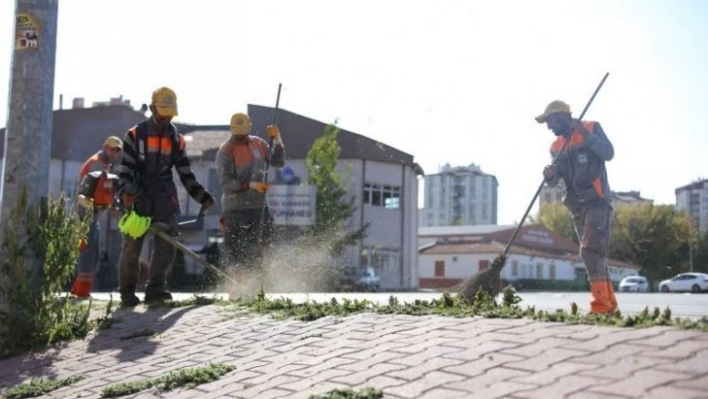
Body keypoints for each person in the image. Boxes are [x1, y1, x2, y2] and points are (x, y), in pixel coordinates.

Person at [116, 87, 215, 307]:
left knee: (166, 243)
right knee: (132, 246)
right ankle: (127, 292)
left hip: (164, 195)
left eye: (169, 114)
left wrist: (202, 196)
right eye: (162, 114)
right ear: (152, 109)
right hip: (138, 194)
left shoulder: (176, 139)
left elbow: (185, 173)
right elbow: (125, 170)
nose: (166, 119)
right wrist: (126, 192)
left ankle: (156, 289)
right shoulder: (135, 135)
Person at [536, 100, 618, 314]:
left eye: (550, 120)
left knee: (590, 251)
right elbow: (556, 181)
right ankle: (611, 306)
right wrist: (550, 177)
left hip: (597, 202)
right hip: (576, 208)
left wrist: (586, 134)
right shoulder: (555, 147)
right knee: (595, 254)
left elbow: (608, 153)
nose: (548, 126)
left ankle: (600, 307)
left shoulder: (591, 128)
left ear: (563, 115)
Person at [215, 112, 285, 274]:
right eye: (236, 134)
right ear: (232, 130)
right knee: (235, 248)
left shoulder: (260, 144)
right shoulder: (225, 151)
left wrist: (277, 139)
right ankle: (235, 282)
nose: (240, 137)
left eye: (243, 134)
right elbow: (226, 184)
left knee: (265, 243)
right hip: (234, 208)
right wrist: (253, 185)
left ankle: (259, 279)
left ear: (249, 129)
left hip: (258, 206)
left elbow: (279, 162)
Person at [70, 136, 123, 298]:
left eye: (117, 150)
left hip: (90, 212)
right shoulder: (97, 164)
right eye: (112, 149)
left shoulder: (104, 165)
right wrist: (113, 205)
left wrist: (112, 204)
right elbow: (100, 193)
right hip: (86, 212)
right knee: (89, 251)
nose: (114, 153)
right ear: (105, 147)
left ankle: (79, 289)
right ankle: (82, 291)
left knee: (90, 250)